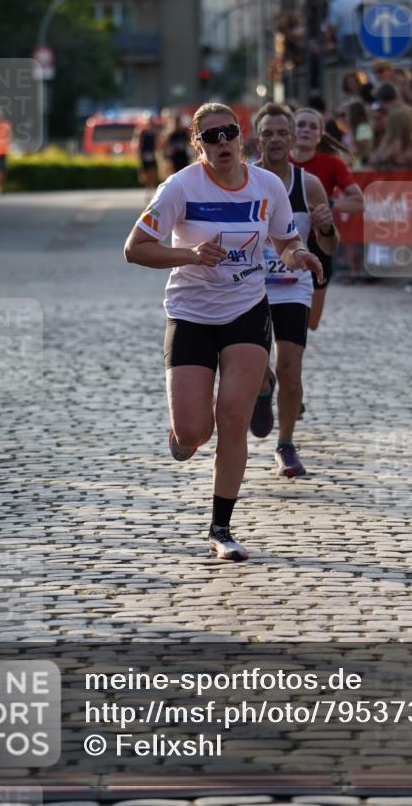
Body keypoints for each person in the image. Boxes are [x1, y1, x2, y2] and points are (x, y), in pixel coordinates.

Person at [124, 102, 323, 561]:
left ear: (241, 135)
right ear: (198, 145)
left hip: (246, 311)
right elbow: (135, 249)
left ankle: (221, 528)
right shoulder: (179, 187)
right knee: (197, 431)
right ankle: (183, 433)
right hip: (190, 313)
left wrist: (298, 256)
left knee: (233, 420)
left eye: (228, 132)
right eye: (210, 136)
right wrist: (191, 255)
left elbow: (285, 240)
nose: (222, 142)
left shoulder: (266, 185)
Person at [250, 103, 338, 478]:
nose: (275, 140)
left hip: (291, 287)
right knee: (254, 366)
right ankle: (262, 384)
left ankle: (285, 444)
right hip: (249, 288)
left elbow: (330, 248)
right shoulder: (244, 180)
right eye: (267, 133)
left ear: (292, 138)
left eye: (281, 133)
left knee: (290, 367)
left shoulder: (309, 184)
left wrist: (325, 230)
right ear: (258, 139)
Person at [290, 107, 363, 330]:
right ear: (291, 131)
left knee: (310, 323)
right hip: (281, 244)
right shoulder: (277, 162)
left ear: (320, 135)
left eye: (312, 126)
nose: (305, 130)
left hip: (318, 243)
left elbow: (359, 202)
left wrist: (327, 205)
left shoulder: (332, 164)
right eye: (301, 124)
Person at [133, 113, 160, 194]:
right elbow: (137, 143)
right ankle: (148, 190)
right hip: (144, 155)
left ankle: (153, 190)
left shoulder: (155, 132)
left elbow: (158, 143)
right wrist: (138, 153)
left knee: (154, 173)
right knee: (145, 174)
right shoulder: (142, 131)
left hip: (153, 154)